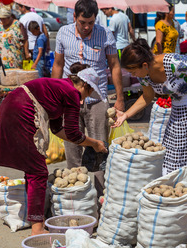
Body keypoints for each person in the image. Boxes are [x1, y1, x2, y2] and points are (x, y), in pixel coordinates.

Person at [0, 63, 108, 236]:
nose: (85, 98)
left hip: (12, 105)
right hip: (22, 110)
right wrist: (95, 144)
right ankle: (37, 228)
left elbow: (58, 129)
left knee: (32, 169)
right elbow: (74, 134)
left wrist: (89, 142)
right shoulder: (72, 93)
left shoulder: (61, 87)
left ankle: (35, 218)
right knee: (38, 172)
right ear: (84, 85)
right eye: (89, 92)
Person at [114, 39, 187, 180]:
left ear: (145, 65)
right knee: (172, 149)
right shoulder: (144, 76)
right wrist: (125, 115)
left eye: (133, 72)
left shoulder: (174, 62)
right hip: (179, 106)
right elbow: (147, 96)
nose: (133, 75)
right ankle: (179, 190)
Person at [52, 0, 124, 195]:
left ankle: (103, 198)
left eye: (91, 23)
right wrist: (53, 96)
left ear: (96, 19)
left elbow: (114, 66)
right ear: (74, 17)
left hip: (97, 100)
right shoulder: (63, 33)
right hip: (69, 100)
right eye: (82, 22)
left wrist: (119, 98)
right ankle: (75, 196)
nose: (86, 27)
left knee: (100, 148)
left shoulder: (105, 34)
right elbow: (58, 65)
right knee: (72, 148)